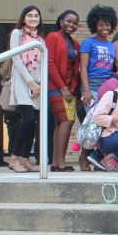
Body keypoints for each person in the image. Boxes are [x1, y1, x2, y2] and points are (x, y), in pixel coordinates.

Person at [44, 9, 81, 172]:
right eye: (68, 21)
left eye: (75, 23)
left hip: (70, 89)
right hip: (56, 88)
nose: (71, 25)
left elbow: (76, 70)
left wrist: (75, 91)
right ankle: (60, 163)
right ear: (61, 22)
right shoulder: (53, 37)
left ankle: (56, 162)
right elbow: (49, 63)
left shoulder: (75, 44)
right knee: (66, 121)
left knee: (62, 123)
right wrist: (62, 87)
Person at [8, 5, 43, 173]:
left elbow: (42, 64)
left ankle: (25, 158)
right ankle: (14, 158)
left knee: (33, 122)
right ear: (23, 18)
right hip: (23, 81)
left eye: (36, 16)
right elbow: (16, 59)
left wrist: (38, 84)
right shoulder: (17, 34)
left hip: (37, 83)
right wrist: (30, 82)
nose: (33, 18)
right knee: (27, 118)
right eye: (30, 15)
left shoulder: (40, 40)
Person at [79, 4, 118, 106]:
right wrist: (86, 90)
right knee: (95, 115)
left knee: (106, 115)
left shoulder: (112, 46)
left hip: (108, 86)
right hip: (92, 85)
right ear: (95, 26)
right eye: (101, 25)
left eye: (107, 25)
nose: (104, 28)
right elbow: (83, 68)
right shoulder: (88, 43)